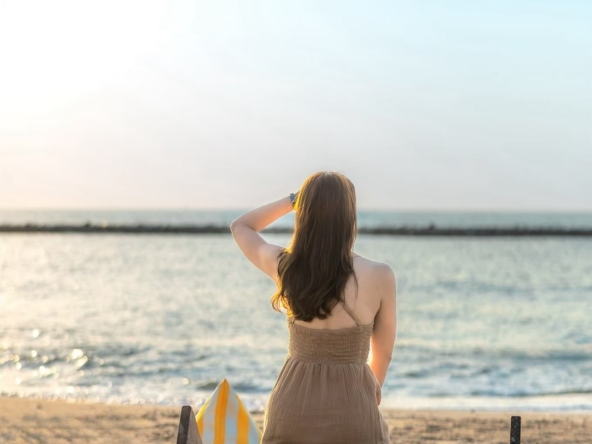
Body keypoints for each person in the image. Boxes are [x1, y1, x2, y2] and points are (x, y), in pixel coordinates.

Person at [230, 171, 397, 443]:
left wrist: (293, 200)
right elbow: (384, 353)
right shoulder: (380, 275)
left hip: (292, 407)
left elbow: (241, 226)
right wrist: (369, 393)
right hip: (353, 409)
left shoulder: (286, 267)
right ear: (349, 217)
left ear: (304, 214)